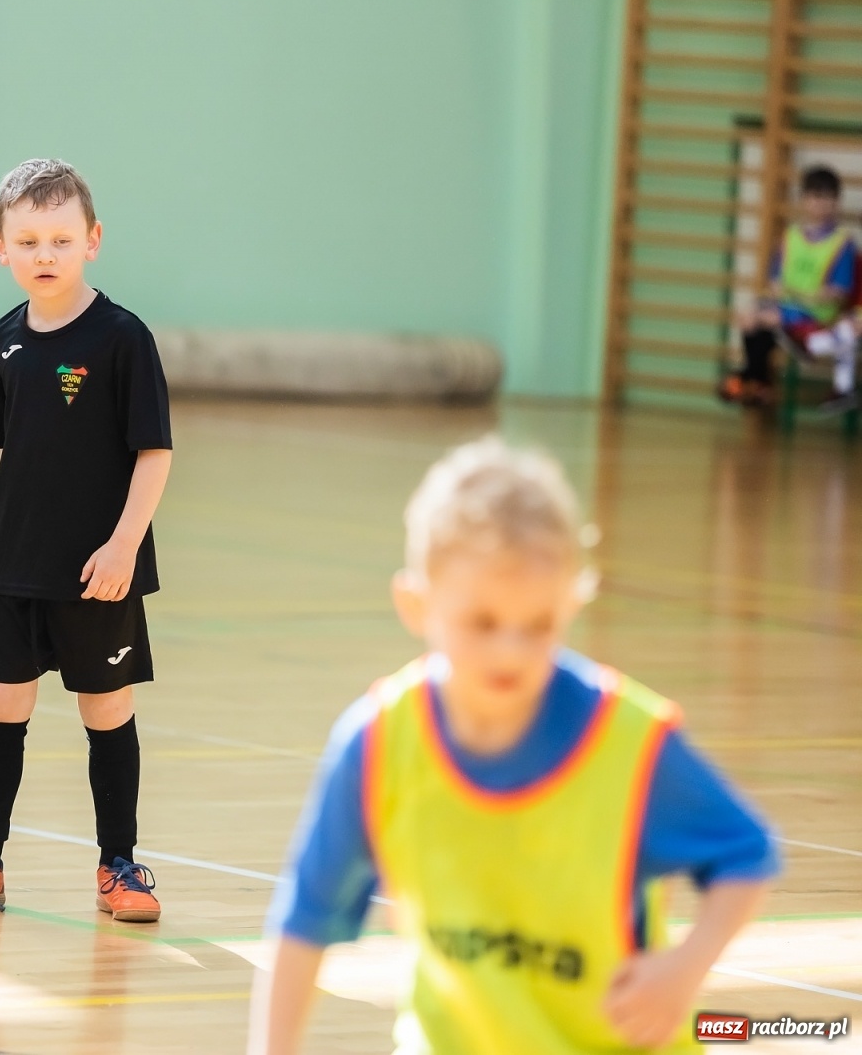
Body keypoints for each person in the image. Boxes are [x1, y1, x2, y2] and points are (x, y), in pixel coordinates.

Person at [248, 437, 778, 1054]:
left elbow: (747, 856)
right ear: (416, 604)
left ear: (572, 602)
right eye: (483, 623)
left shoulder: (629, 743)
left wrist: (683, 969)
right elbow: (303, 925)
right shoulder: (378, 744)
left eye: (539, 625)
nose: (511, 652)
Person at [0, 159, 173, 923]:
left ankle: (119, 866)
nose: (45, 254)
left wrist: (124, 546)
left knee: (106, 710)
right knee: (2, 703)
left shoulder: (123, 338)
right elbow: (21, 453)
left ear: (92, 240)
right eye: (27, 241)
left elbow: (154, 452)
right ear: (1, 248)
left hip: (100, 568)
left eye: (61, 239)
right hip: (16, 564)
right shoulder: (2, 341)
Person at [720, 164, 858, 412]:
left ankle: (753, 379)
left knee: (767, 319)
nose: (820, 204)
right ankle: (757, 380)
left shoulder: (842, 244)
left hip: (817, 317)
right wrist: (775, 297)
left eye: (827, 198)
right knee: (749, 315)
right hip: (787, 308)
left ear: (836, 202)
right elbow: (775, 282)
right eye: (815, 197)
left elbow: (838, 293)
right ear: (804, 200)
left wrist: (798, 296)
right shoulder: (790, 237)